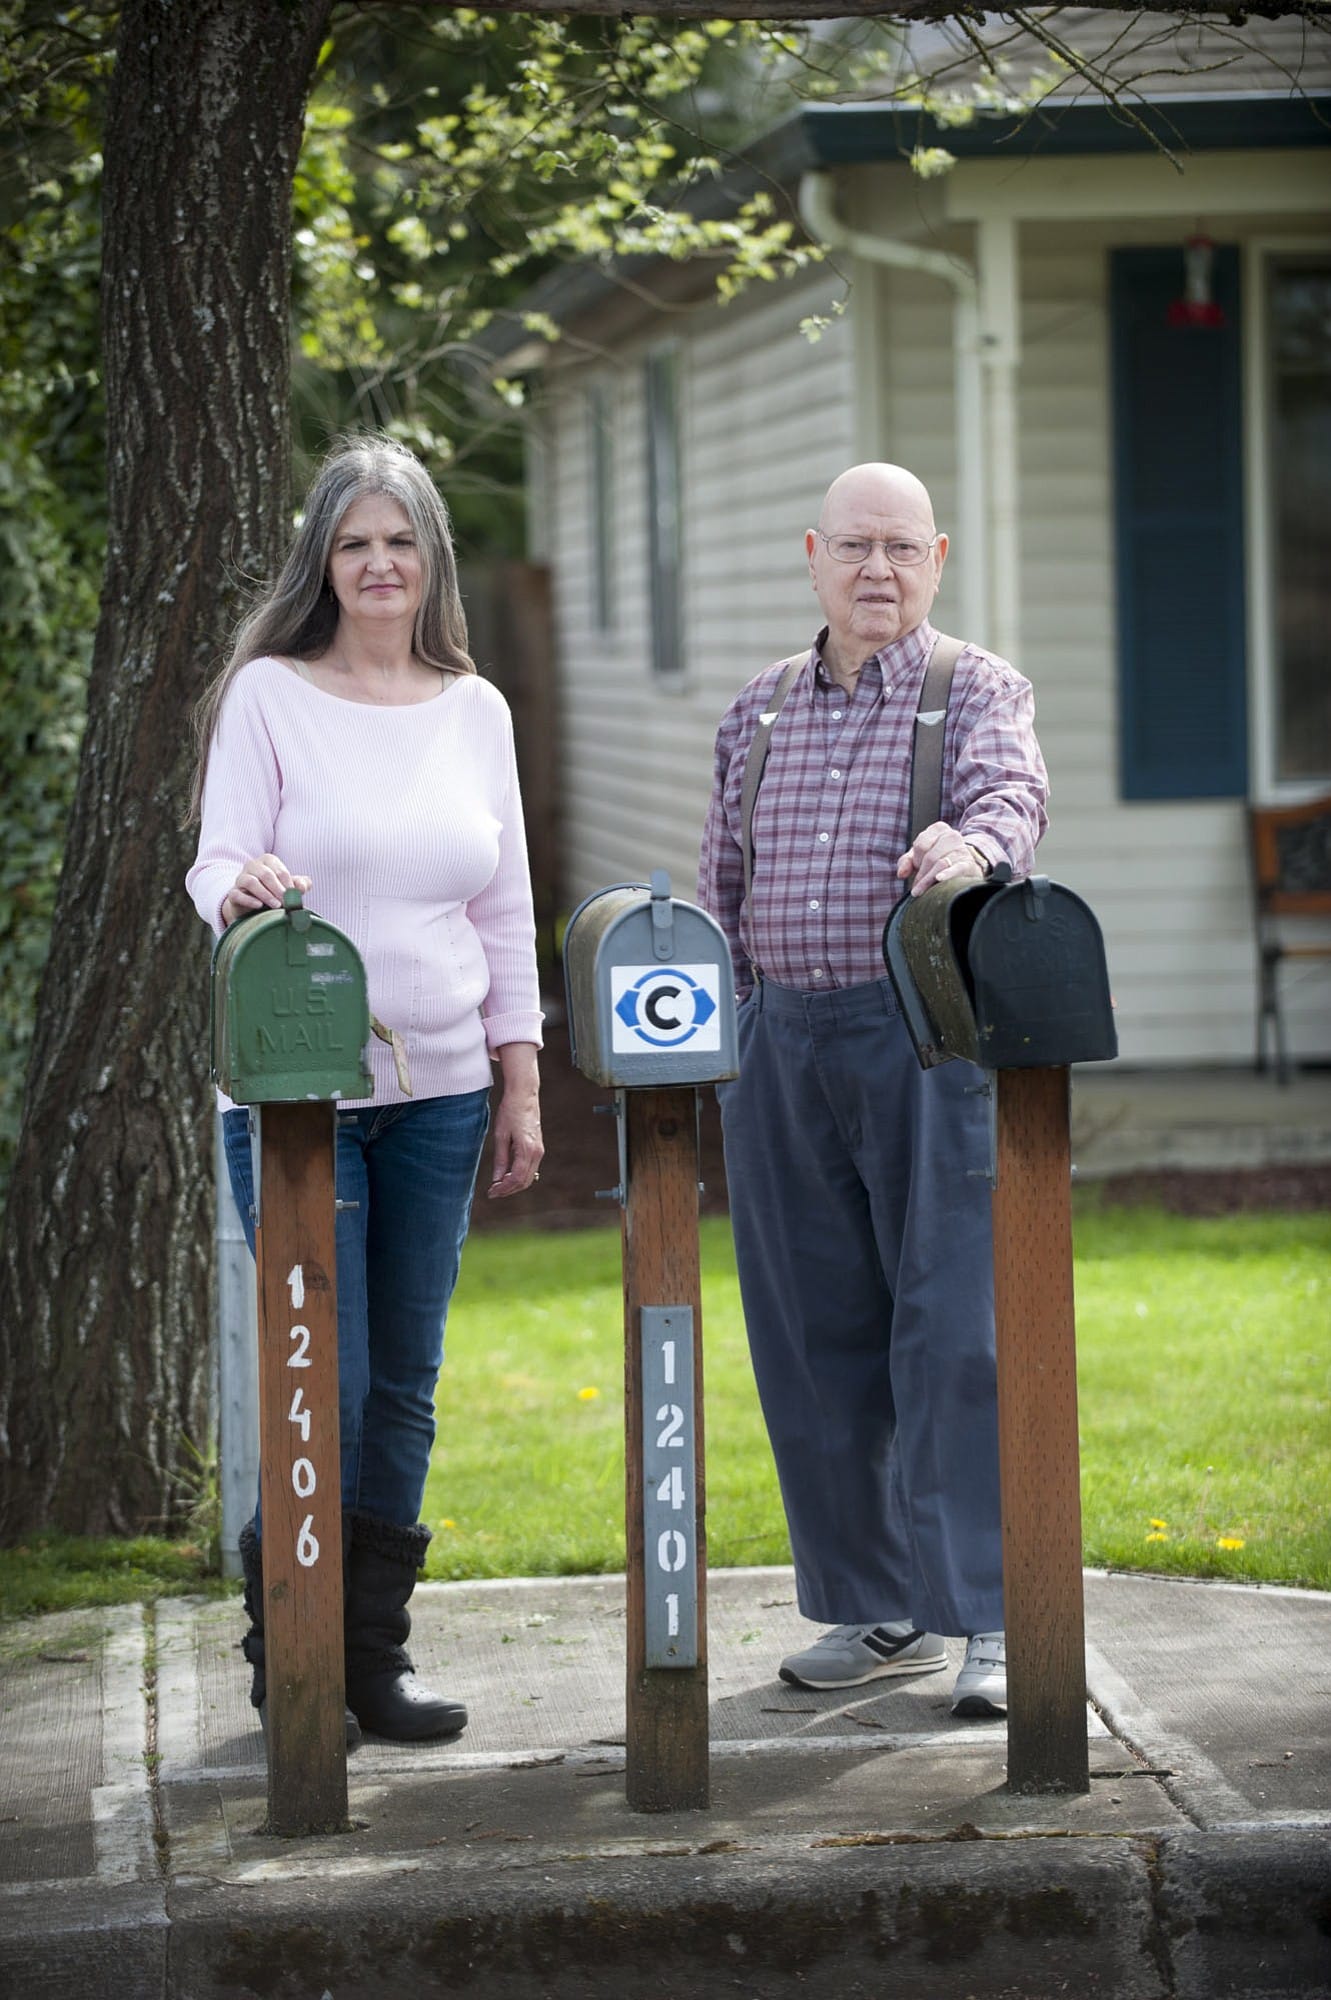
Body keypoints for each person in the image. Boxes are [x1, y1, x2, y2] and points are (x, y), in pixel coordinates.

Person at [187, 435, 544, 1743]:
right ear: (323, 565)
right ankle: (289, 1646)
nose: (380, 563)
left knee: (403, 1380)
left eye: (401, 541)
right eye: (355, 543)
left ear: (431, 558)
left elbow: (504, 909)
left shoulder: (476, 709)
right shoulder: (270, 696)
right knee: (314, 1376)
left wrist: (521, 1080)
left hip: (444, 1091)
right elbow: (219, 853)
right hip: (296, 1098)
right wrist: (234, 889)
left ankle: (370, 1661)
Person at [697, 461, 1049, 1717]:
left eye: (901, 547)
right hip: (778, 1044)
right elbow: (718, 885)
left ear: (938, 557)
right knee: (811, 1334)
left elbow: (1013, 802)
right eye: (854, 546)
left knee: (952, 1330)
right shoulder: (760, 710)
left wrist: (970, 844)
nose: (877, 570)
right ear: (810, 554)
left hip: (925, 1045)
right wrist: (730, 1030)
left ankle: (991, 1617)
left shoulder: (973, 691)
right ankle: (875, 1600)